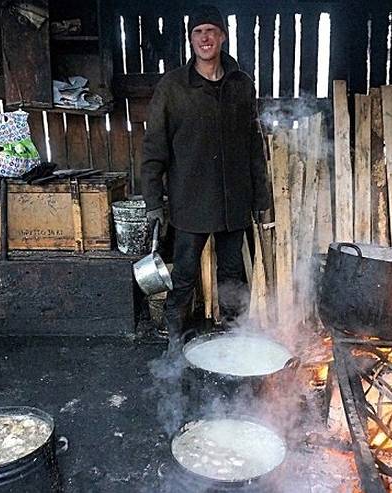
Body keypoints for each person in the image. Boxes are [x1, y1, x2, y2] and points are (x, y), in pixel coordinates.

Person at [141, 4, 271, 348]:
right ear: (191, 40)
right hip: (190, 200)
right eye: (198, 32)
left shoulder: (241, 85)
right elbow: (155, 146)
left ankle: (234, 339)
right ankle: (174, 341)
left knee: (232, 275)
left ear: (222, 37)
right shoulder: (173, 87)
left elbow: (252, 144)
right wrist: (153, 200)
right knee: (183, 277)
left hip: (234, 200)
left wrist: (261, 198)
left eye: (211, 31)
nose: (205, 38)